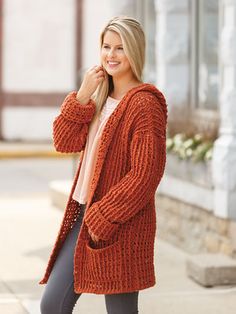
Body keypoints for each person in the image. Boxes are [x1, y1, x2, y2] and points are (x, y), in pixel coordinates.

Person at [39, 15, 168, 314]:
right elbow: (64, 142)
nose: (111, 55)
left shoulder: (144, 105)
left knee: (120, 311)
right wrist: (82, 95)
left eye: (120, 48)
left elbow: (146, 174)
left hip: (121, 221)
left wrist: (103, 217)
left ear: (134, 51)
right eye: (106, 46)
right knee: (52, 305)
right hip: (86, 215)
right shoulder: (98, 97)